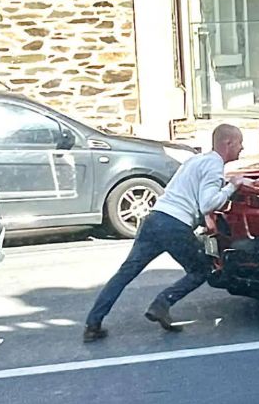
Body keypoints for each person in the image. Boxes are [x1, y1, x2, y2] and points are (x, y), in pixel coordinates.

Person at [83, 124, 245, 342]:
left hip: (154, 218)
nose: (242, 148)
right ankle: (162, 303)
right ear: (228, 143)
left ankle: (93, 323)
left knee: (126, 273)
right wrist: (232, 186)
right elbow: (208, 204)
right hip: (175, 225)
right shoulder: (215, 165)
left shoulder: (196, 160)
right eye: (240, 143)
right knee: (202, 270)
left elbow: (192, 189)